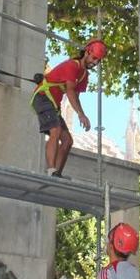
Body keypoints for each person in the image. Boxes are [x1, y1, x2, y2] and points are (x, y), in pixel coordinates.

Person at [32, 39, 107, 178]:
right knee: (55, 130)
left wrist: (82, 113)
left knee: (67, 141)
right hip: (43, 97)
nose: (95, 62)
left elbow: (75, 96)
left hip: (53, 104)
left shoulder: (84, 75)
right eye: (94, 58)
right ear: (86, 52)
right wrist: (80, 114)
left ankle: (57, 174)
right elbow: (70, 91)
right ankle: (51, 171)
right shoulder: (72, 66)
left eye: (99, 61)